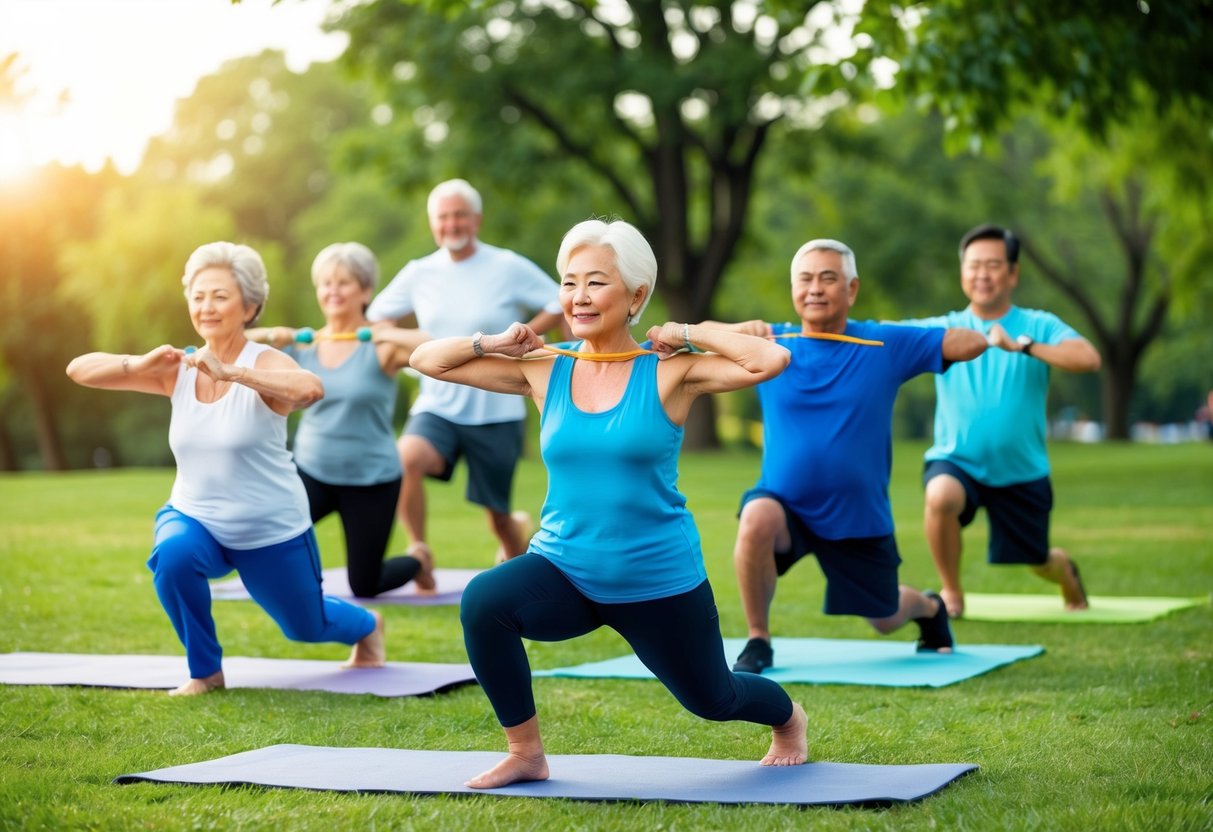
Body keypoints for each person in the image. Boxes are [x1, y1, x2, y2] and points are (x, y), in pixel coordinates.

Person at [409, 219, 805, 790]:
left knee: (715, 698)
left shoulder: (671, 370)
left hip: (656, 579)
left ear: (636, 296)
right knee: (484, 601)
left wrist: (689, 331)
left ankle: (790, 721)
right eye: (569, 283)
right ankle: (526, 753)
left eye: (596, 283)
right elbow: (428, 360)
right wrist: (492, 342)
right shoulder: (546, 367)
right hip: (565, 569)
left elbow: (770, 361)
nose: (579, 297)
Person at [65, 241, 385, 696]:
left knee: (306, 626)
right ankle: (205, 672)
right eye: (198, 296)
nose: (206, 306)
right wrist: (136, 364)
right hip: (196, 516)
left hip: (270, 528)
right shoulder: (176, 368)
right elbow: (79, 368)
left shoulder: (265, 364)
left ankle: (368, 626)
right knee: (172, 558)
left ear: (250, 305)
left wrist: (233, 374)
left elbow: (309, 388)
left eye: (219, 295)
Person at [716, 239, 988, 675]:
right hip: (786, 507)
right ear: (793, 289)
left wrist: (913, 336)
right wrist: (735, 329)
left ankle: (928, 607)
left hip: (857, 517)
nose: (815, 289)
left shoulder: (882, 343)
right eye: (805, 279)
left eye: (828, 278)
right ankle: (758, 641)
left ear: (852, 289)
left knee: (884, 618)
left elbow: (971, 342)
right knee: (755, 518)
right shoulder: (767, 345)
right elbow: (690, 338)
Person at [904, 224, 1102, 618]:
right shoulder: (943, 328)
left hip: (1021, 471)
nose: (982, 273)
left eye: (993, 265)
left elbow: (1088, 358)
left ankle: (1064, 570)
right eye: (974, 265)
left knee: (1036, 560)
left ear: (1012, 274)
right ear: (962, 273)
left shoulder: (1039, 323)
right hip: (958, 460)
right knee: (940, 495)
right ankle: (953, 593)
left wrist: (1025, 346)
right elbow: (883, 338)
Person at [367, 179, 566, 568]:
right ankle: (419, 551)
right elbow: (376, 320)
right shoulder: (419, 272)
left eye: (459, 215)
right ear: (432, 223)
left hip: (498, 409)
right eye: (443, 217)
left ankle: (515, 531)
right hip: (438, 403)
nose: (451, 224)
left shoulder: (506, 265)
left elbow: (559, 301)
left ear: (476, 220)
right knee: (405, 458)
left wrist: (530, 334)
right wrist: (413, 340)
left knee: (498, 521)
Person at [248, 242, 434, 598]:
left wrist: (382, 331)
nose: (332, 291)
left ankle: (419, 560)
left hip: (372, 479)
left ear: (365, 290)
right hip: (312, 471)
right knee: (265, 539)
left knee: (365, 585)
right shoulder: (302, 345)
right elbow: (237, 340)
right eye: (326, 283)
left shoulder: (381, 346)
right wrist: (274, 335)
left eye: (344, 282)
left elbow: (433, 342)